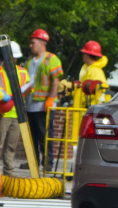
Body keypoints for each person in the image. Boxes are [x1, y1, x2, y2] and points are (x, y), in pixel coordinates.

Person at [19, 29, 63, 172]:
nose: (30, 45)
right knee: (32, 137)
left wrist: (50, 98)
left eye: (33, 42)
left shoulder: (51, 59)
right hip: (31, 105)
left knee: (45, 135)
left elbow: (55, 80)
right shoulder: (30, 62)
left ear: (41, 43)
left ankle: (48, 162)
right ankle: (33, 162)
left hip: (44, 105)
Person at [0, 41, 30, 177]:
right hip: (2, 113)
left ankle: (8, 172)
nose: (15, 60)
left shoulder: (23, 72)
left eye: (16, 58)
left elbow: (28, 90)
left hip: (17, 114)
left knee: (11, 146)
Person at [78, 40, 109, 106]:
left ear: (86, 55)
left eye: (83, 53)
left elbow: (99, 92)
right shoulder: (88, 69)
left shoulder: (95, 71)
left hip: (92, 109)